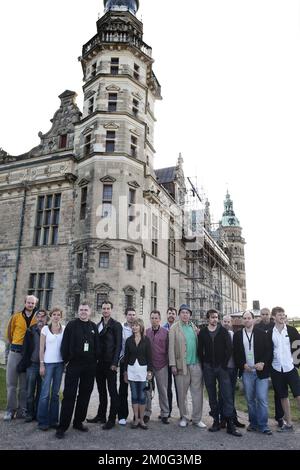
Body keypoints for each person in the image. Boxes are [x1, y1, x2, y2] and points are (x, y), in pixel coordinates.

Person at [55, 302, 100, 439]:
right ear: (78, 311)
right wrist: (66, 360)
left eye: (86, 310)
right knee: (69, 395)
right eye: (81, 310)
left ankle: (78, 422)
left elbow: (97, 345)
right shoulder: (71, 325)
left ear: (90, 311)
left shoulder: (93, 326)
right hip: (74, 365)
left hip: (89, 366)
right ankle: (62, 426)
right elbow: (65, 344)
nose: (83, 312)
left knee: (85, 395)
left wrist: (95, 360)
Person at [198, 309, 241, 437]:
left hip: (222, 368)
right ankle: (216, 421)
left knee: (227, 394)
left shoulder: (223, 331)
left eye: (216, 317)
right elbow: (200, 350)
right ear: (207, 319)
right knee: (212, 396)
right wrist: (204, 364)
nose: (214, 319)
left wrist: (224, 364)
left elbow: (229, 348)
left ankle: (230, 424)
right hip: (208, 368)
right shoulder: (203, 333)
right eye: (212, 317)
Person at [233, 310, 272, 435]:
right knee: (250, 399)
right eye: (244, 318)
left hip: (261, 371)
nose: (246, 320)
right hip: (247, 372)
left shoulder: (262, 333)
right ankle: (254, 423)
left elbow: (269, 351)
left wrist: (263, 363)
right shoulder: (238, 335)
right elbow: (236, 353)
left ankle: (263, 425)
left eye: (249, 318)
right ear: (242, 320)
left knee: (262, 398)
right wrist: (242, 365)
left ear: (253, 319)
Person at [169, 304, 206, 429]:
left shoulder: (193, 327)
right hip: (181, 366)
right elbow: (171, 348)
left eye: (187, 313)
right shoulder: (174, 328)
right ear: (179, 314)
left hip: (195, 364)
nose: (185, 315)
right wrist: (173, 364)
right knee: (182, 393)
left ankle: (197, 419)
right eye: (183, 312)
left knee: (197, 393)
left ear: (190, 315)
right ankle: (184, 417)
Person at [87, 301, 122, 430]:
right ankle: (101, 415)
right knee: (101, 391)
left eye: (108, 308)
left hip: (110, 364)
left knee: (112, 391)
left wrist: (115, 362)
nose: (106, 310)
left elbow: (118, 345)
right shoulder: (98, 325)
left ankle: (112, 418)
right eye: (104, 308)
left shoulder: (116, 325)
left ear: (111, 310)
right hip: (99, 364)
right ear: (101, 310)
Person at [4, 295, 38, 421]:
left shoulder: (37, 318)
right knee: (11, 383)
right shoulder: (16, 317)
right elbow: (9, 333)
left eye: (33, 303)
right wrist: (16, 344)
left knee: (24, 385)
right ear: (25, 303)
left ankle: (21, 410)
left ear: (35, 305)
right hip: (15, 351)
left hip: (27, 355)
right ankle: (10, 410)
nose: (30, 305)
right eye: (28, 302)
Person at [268, 306, 300, 432]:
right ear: (274, 317)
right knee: (283, 397)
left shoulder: (291, 330)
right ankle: (289, 424)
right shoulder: (270, 332)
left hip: (290, 368)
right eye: (280, 314)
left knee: (298, 395)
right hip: (276, 369)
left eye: (283, 314)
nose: (282, 317)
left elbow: (298, 347)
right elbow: (268, 350)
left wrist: (297, 364)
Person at [255, 307, 285, 428]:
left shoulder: (275, 325)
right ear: (260, 315)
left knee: (278, 391)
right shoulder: (257, 327)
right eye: (263, 314)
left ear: (270, 315)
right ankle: (261, 419)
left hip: (276, 362)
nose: (265, 316)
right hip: (264, 362)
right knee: (261, 394)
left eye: (267, 314)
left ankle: (279, 417)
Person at [16, 309, 48, 422]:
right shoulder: (30, 330)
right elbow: (25, 347)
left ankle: (38, 414)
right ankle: (30, 413)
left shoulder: (49, 330)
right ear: (36, 318)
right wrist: (26, 361)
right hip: (32, 365)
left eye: (43, 316)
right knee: (30, 391)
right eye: (38, 316)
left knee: (41, 391)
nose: (40, 318)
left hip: (45, 365)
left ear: (46, 318)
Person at [37, 308, 65, 430]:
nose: (56, 317)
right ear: (50, 316)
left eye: (58, 315)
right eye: (54, 314)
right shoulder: (45, 329)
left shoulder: (64, 329)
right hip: (48, 364)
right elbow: (41, 348)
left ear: (61, 316)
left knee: (55, 394)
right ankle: (43, 421)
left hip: (59, 364)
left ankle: (54, 420)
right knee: (44, 394)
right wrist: (41, 364)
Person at [123, 318, 153, 429]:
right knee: (134, 396)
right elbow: (126, 358)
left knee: (142, 396)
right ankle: (135, 418)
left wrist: (150, 371)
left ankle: (142, 419)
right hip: (131, 370)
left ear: (141, 327)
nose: (134, 327)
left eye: (137, 325)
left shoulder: (146, 340)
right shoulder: (129, 340)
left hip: (143, 371)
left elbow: (150, 357)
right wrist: (125, 372)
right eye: (133, 325)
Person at [219, 315, 245, 429]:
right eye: (224, 321)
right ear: (221, 322)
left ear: (231, 323)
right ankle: (223, 419)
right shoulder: (218, 335)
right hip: (223, 369)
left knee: (231, 394)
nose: (226, 323)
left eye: (228, 321)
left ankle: (233, 418)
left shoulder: (234, 335)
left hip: (233, 368)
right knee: (222, 394)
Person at [145, 310, 169, 424]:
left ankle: (164, 413)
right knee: (147, 390)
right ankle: (146, 413)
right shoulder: (147, 332)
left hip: (162, 365)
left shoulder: (165, 332)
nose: (154, 320)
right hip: (149, 366)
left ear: (160, 319)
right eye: (152, 318)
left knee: (162, 390)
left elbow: (169, 349)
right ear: (150, 319)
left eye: (156, 318)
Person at [118, 307, 136, 426]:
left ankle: (137, 416)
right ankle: (122, 415)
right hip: (124, 361)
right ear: (126, 315)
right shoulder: (121, 328)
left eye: (133, 314)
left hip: (135, 363)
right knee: (123, 389)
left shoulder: (138, 327)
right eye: (129, 314)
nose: (131, 316)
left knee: (136, 390)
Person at [163, 307, 178, 417]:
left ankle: (183, 412)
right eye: (169, 313)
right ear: (166, 315)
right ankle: (167, 411)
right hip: (166, 362)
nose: (171, 315)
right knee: (167, 388)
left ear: (176, 315)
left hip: (177, 362)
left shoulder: (179, 328)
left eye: (173, 313)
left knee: (179, 388)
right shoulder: (162, 329)